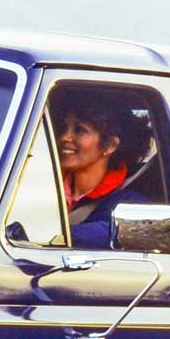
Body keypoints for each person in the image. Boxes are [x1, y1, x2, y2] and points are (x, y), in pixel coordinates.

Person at [53, 88, 150, 248]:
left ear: (110, 145)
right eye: (63, 128)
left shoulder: (128, 203)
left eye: (80, 130)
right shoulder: (40, 181)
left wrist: (52, 235)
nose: (65, 137)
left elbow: (115, 232)